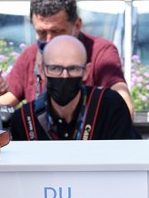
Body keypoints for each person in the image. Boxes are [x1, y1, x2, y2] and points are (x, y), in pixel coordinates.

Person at [0, 0, 134, 116]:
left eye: (57, 32)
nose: (49, 40)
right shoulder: (31, 55)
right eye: (41, 33)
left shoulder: (100, 52)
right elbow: (8, 99)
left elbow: (123, 103)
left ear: (77, 25)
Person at [9, 35, 140, 140]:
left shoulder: (109, 107)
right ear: (42, 71)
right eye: (55, 68)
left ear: (86, 71)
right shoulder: (25, 120)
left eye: (73, 69)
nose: (64, 76)